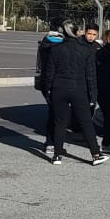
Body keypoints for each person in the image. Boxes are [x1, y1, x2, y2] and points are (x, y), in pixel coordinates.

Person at [42, 22, 106, 165]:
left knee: (59, 122)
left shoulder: (56, 49)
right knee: (86, 122)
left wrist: (48, 90)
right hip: (78, 88)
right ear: (78, 32)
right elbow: (91, 76)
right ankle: (96, 154)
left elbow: (49, 73)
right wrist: (93, 95)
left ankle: (57, 155)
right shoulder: (87, 50)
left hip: (59, 87)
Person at [35, 24, 68, 155]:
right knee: (58, 116)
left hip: (46, 81)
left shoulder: (46, 41)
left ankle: (50, 143)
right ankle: (52, 143)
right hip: (57, 82)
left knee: (53, 113)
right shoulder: (60, 43)